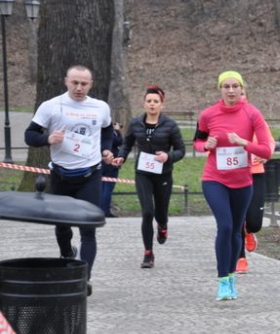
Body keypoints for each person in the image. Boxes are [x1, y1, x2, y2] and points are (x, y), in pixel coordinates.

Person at [24, 64, 114, 293]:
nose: (79, 88)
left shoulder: (100, 107)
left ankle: (84, 278)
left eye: (84, 84)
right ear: (66, 81)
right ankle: (66, 252)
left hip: (90, 175)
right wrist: (47, 139)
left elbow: (107, 130)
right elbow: (30, 135)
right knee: (62, 226)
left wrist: (105, 149)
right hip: (61, 175)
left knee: (88, 229)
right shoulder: (51, 106)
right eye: (75, 82)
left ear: (90, 84)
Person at [193, 71, 272, 300]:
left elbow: (267, 149)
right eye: (226, 86)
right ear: (220, 89)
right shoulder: (208, 115)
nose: (230, 91)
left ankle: (231, 276)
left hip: (243, 181)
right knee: (225, 226)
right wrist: (205, 145)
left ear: (241, 88)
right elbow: (197, 142)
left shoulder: (252, 113)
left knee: (237, 229)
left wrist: (244, 143)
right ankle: (223, 281)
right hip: (214, 179)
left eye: (234, 86)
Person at [112, 85, 186, 268]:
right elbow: (126, 144)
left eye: (156, 101)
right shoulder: (136, 123)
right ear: (144, 104)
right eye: (149, 101)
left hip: (163, 174)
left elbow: (181, 150)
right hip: (143, 173)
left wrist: (168, 156)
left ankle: (162, 225)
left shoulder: (170, 125)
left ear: (162, 105)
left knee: (160, 213)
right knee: (147, 212)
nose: (152, 104)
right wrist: (121, 156)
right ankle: (148, 253)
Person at [236, 95, 276, 274]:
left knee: (254, 222)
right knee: (236, 219)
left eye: (241, 93)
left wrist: (266, 153)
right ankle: (240, 257)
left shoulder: (255, 116)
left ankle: (250, 231)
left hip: (255, 172)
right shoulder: (222, 118)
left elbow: (269, 142)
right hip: (233, 174)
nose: (238, 97)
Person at [100, 121, 124, 217]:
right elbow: (119, 141)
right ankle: (105, 210)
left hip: (105, 162)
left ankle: (102, 209)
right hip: (109, 162)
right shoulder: (109, 133)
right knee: (107, 187)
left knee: (103, 187)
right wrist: (117, 131)